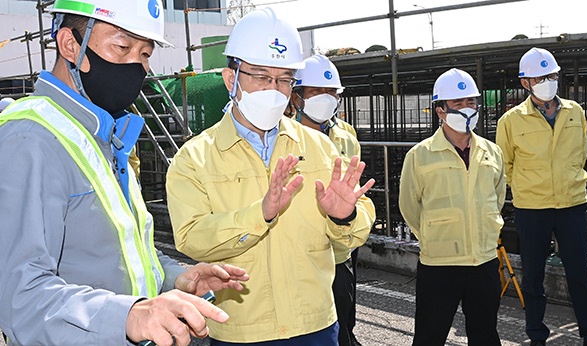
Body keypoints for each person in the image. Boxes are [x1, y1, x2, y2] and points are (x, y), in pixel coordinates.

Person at [0, 1, 249, 345]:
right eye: (121, 47)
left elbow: (125, 251)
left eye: (145, 54)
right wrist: (129, 316)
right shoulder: (30, 138)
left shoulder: (105, 134)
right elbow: (19, 299)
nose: (136, 65)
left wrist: (179, 278)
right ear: (70, 45)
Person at [165, 8, 376, 346]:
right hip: (241, 332)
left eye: (283, 79)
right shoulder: (195, 158)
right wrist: (258, 215)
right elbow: (191, 238)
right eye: (261, 77)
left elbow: (353, 234)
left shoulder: (320, 147)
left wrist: (345, 216)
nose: (273, 90)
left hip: (316, 327)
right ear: (231, 79)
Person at [496, 47, 587, 346]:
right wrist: (525, 189)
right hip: (532, 208)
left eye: (552, 75)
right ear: (525, 83)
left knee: (580, 275)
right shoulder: (511, 121)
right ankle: (537, 336)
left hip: (572, 205)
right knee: (533, 278)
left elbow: (579, 154)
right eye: (540, 77)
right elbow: (504, 165)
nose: (548, 81)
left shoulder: (575, 111)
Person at [399, 68, 505, 346]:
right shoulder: (420, 155)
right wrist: (435, 237)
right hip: (440, 263)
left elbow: (498, 197)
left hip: (483, 260)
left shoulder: (492, 152)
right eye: (458, 104)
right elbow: (409, 206)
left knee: (485, 335)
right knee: (430, 335)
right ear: (440, 111)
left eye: (471, 102)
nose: (467, 109)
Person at [289, 54, 374, 346]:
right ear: (296, 96)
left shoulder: (346, 134)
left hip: (340, 249)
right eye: (315, 92)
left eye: (330, 93)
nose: (324, 99)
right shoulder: (283, 135)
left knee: (344, 317)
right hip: (302, 250)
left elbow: (356, 186)